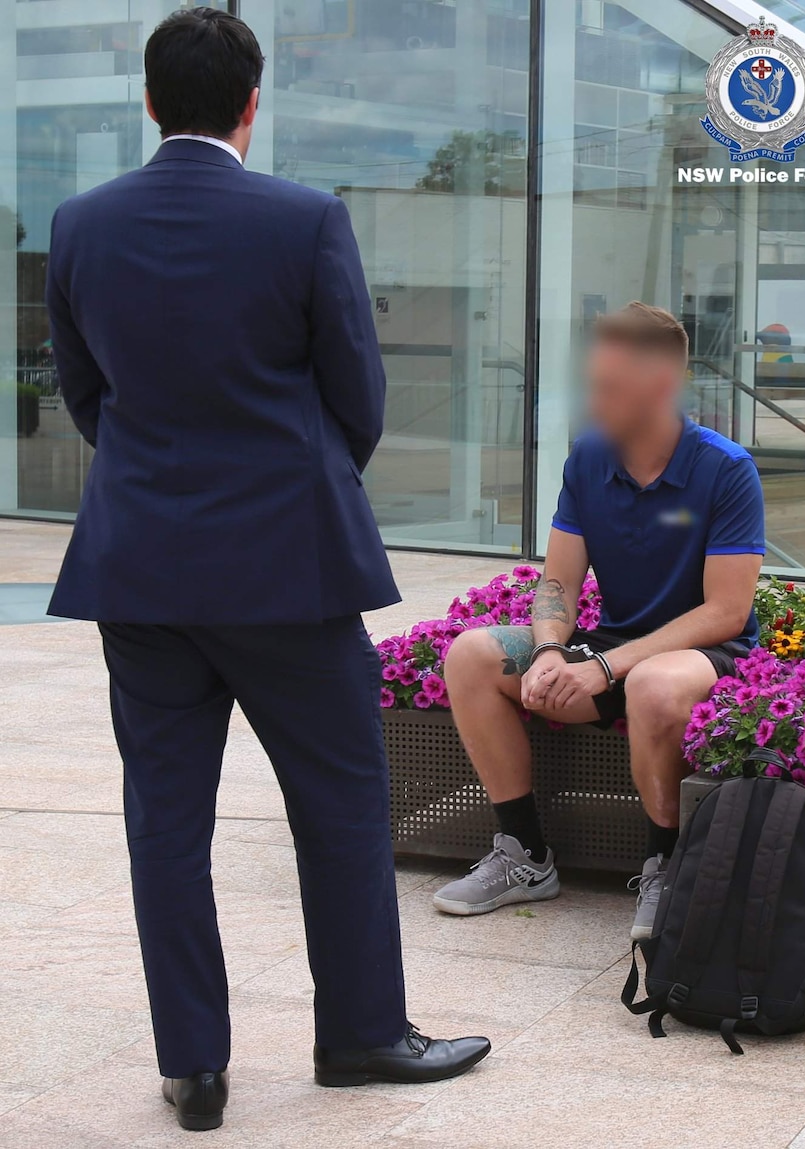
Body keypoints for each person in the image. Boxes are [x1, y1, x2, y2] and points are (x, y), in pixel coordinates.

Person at [46, 7, 489, 1132]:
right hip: (290, 569)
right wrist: (303, 479)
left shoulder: (80, 223)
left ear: (150, 101)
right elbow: (359, 397)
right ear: (253, 104)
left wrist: (159, 485)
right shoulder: (305, 218)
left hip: (139, 567)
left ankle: (193, 1069)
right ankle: (357, 1037)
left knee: (165, 822)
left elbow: (86, 396)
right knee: (341, 805)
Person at [435, 302, 765, 941]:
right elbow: (557, 583)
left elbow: (727, 611)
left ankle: (666, 866)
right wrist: (554, 651)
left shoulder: (725, 470)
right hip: (610, 648)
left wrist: (608, 667)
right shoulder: (588, 459)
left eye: (610, 386)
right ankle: (525, 855)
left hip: (705, 654)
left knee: (653, 684)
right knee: (474, 653)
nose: (595, 398)